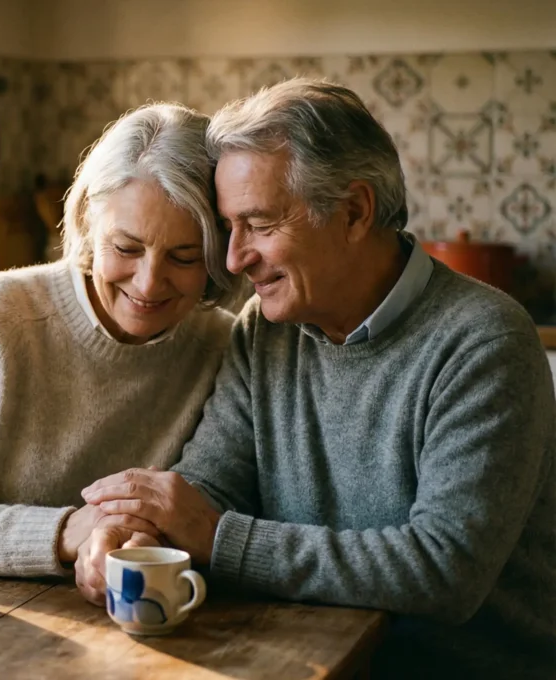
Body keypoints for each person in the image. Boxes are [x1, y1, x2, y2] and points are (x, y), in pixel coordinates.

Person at [78, 79, 556, 677]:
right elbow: (209, 487)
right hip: (305, 656)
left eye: (259, 223)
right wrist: (137, 540)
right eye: (231, 227)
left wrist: (216, 538)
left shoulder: (484, 341)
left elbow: (444, 572)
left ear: (353, 211)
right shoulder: (265, 329)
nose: (233, 259)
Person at [0, 102, 242, 577]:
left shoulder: (225, 347)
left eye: (185, 258)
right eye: (126, 248)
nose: (149, 284)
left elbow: (204, 510)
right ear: (88, 221)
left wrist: (134, 541)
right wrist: (68, 533)